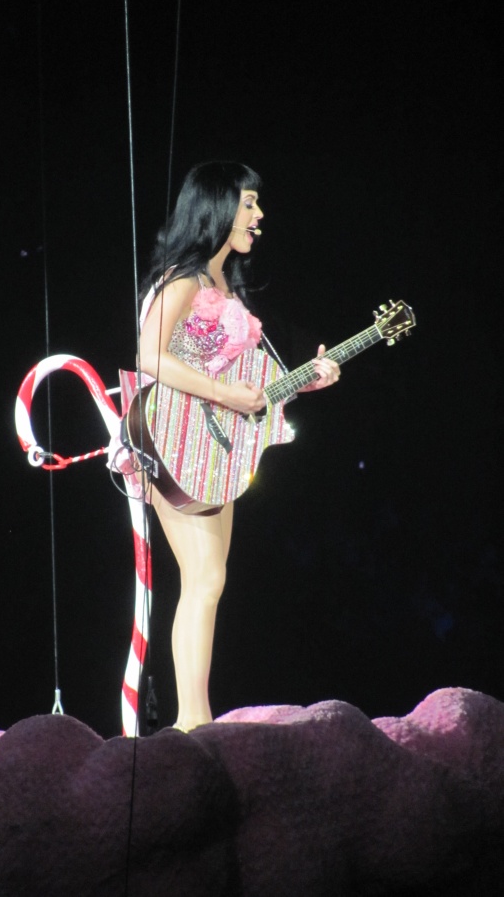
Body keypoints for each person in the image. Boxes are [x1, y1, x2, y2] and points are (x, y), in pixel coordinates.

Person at [135, 161, 340, 732]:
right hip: (173, 438)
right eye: (249, 203)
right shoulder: (182, 279)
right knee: (203, 579)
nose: (259, 215)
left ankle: (195, 719)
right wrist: (226, 393)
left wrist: (306, 379)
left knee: (210, 580)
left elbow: (248, 385)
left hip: (212, 444)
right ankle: (191, 723)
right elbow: (149, 355)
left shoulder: (223, 284)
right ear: (218, 207)